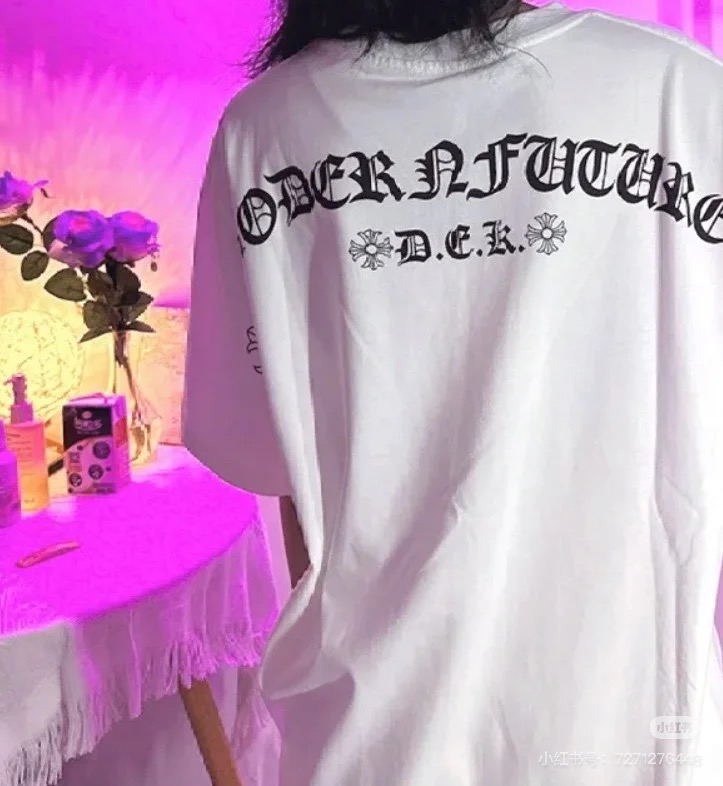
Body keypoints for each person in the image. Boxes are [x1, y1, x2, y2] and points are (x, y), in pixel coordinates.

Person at [182, 1, 723, 784]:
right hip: (624, 709)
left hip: (375, 728)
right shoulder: (677, 88)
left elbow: (254, 449)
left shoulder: (262, 128)